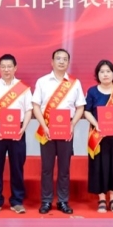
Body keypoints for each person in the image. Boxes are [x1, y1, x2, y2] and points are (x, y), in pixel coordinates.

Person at [31, 48, 85, 214]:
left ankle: (63, 201)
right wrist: (44, 126)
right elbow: (36, 106)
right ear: (52, 62)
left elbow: (80, 107)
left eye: (65, 59)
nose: (61, 62)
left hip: (66, 129)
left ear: (68, 63)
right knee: (47, 168)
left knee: (64, 168)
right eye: (58, 58)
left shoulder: (75, 83)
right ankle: (46, 201)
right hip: (46, 128)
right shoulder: (42, 81)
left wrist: (72, 124)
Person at [0, 54, 33, 214]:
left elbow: (29, 110)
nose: (6, 69)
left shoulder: (23, 88)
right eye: (3, 66)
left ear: (15, 68)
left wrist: (23, 128)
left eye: (9, 66)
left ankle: (17, 201)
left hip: (18, 130)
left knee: (17, 166)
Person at [84, 59, 113, 213]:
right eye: (102, 72)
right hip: (98, 135)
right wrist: (96, 124)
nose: (105, 74)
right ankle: (102, 199)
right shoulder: (92, 91)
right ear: (97, 74)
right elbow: (87, 111)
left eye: (108, 71)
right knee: (99, 166)